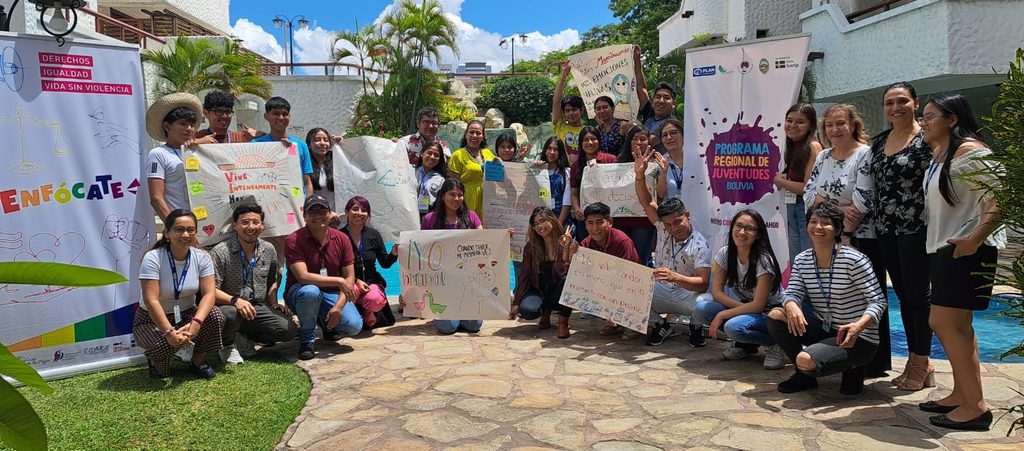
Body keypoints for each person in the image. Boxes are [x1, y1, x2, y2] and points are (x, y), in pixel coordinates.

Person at [918, 93, 1004, 431]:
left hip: (965, 249)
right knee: (959, 326)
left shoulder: (972, 152)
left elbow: (1001, 197)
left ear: (952, 119)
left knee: (944, 322)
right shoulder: (942, 154)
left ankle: (975, 406)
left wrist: (975, 239)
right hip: (947, 247)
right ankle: (962, 395)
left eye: (929, 116)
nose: (923, 123)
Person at [803, 103, 890, 377]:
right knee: (838, 298)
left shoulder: (864, 154)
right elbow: (808, 196)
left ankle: (870, 363)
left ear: (853, 125)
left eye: (841, 123)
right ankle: (841, 355)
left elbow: (863, 199)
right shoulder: (823, 156)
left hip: (859, 238)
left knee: (865, 299)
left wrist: (834, 217)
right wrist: (838, 209)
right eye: (830, 125)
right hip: (829, 238)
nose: (835, 129)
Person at [766, 202, 887, 396]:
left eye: (825, 223)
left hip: (857, 336)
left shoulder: (854, 260)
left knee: (806, 360)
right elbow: (792, 292)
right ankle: (804, 378)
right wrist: (791, 304)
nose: (818, 227)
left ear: (837, 229)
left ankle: (853, 366)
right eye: (813, 221)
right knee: (776, 316)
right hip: (826, 328)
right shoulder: (802, 259)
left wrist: (858, 326)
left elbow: (878, 302)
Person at [869, 82, 934, 391]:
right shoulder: (879, 142)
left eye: (902, 101)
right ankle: (916, 360)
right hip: (886, 229)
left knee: (919, 298)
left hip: (916, 228)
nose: (895, 107)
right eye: (889, 102)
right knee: (904, 297)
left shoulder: (926, 140)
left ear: (915, 103)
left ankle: (920, 362)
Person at [633, 146, 711, 346]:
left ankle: (696, 325)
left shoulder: (701, 244)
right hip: (661, 289)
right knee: (629, 289)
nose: (673, 228)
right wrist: (639, 175)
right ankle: (660, 325)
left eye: (678, 222)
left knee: (706, 303)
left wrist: (675, 277)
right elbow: (646, 201)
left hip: (687, 295)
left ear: (687, 216)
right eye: (668, 224)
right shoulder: (662, 228)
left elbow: (702, 283)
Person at [134, 209, 224, 379]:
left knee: (216, 316)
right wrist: (168, 332)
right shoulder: (153, 258)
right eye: (179, 229)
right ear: (167, 233)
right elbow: (151, 299)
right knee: (162, 350)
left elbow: (209, 294)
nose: (185, 234)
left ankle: (197, 361)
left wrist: (196, 323)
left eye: (191, 230)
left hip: (187, 315)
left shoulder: (202, 257)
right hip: (151, 318)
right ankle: (156, 360)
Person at [691, 209, 786, 370]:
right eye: (738, 226)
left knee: (733, 326)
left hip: (770, 313)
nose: (742, 232)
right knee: (701, 309)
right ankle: (745, 345)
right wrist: (739, 309)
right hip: (746, 305)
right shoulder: (725, 253)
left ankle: (775, 343)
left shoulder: (763, 260)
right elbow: (717, 292)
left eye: (749, 228)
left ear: (758, 235)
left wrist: (723, 314)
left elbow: (758, 306)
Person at [210, 204, 297, 364]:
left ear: (262, 226)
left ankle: (244, 336)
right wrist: (235, 301)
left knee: (288, 330)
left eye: (255, 222)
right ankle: (227, 345)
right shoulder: (220, 252)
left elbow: (272, 281)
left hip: (256, 307)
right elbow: (210, 291)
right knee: (230, 314)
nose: (251, 227)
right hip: (228, 305)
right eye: (245, 222)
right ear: (235, 226)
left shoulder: (268, 249)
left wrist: (274, 303)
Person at [284, 194, 363, 360]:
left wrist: (339, 308)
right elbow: (303, 276)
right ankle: (307, 339)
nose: (318, 215)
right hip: (301, 292)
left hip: (330, 293)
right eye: (312, 212)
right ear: (304, 216)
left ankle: (326, 324)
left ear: (330, 213)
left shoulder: (342, 239)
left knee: (355, 326)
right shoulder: (294, 239)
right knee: (311, 292)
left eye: (322, 211)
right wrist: (338, 280)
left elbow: (349, 277)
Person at [568, 202, 641, 338]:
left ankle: (632, 322)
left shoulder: (622, 241)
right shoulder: (586, 243)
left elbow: (630, 276)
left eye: (599, 222)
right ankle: (614, 322)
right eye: (590, 223)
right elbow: (580, 273)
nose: (595, 228)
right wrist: (573, 254)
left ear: (610, 222)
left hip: (628, 285)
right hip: (606, 284)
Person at [421, 178, 485, 334]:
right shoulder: (430, 219)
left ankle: (460, 310)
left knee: (474, 325)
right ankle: (449, 312)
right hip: (442, 281)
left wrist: (503, 237)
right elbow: (421, 249)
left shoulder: (471, 216)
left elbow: (484, 243)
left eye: (460, 195)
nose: (456, 199)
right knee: (448, 327)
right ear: (442, 196)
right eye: (452, 194)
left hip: (465, 279)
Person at [510, 207, 572, 338]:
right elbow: (525, 275)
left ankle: (562, 322)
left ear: (552, 220)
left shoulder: (565, 242)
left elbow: (569, 270)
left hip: (559, 292)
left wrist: (566, 248)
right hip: (540, 290)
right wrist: (516, 303)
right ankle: (545, 311)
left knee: (568, 281)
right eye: (535, 224)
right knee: (527, 310)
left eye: (543, 221)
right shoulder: (531, 247)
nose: (540, 226)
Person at [339, 196, 398, 330]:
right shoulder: (339, 236)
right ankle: (356, 312)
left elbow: (385, 263)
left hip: (371, 281)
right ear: (347, 212)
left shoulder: (374, 235)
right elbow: (335, 267)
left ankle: (367, 311)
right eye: (355, 209)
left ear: (368, 215)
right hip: (349, 282)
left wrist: (394, 254)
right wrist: (356, 281)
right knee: (351, 291)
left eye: (364, 210)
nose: (359, 213)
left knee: (375, 299)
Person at [773, 103, 822, 263]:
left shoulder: (813, 146)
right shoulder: (791, 146)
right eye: (789, 120)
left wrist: (781, 181)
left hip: (806, 210)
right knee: (797, 260)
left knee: (808, 258)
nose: (793, 125)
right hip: (791, 208)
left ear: (811, 126)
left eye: (800, 122)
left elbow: (808, 189)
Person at [145, 92, 203, 221]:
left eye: (192, 125)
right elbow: (156, 198)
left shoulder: (198, 153)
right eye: (182, 124)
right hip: (179, 226)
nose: (189, 129)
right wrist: (173, 226)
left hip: (203, 223)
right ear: (167, 126)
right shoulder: (158, 154)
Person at [251, 96, 314, 196]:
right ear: (266, 116)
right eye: (276, 114)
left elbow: (307, 181)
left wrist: (308, 205)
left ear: (289, 117)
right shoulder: (255, 145)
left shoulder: (301, 145)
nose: (281, 117)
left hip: (297, 201)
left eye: (284, 114)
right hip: (267, 200)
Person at [569, 127, 618, 241]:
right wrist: (577, 208)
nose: (590, 143)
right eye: (586, 140)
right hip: (586, 217)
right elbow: (574, 194)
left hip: (607, 216)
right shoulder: (576, 166)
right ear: (581, 143)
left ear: (599, 141)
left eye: (593, 139)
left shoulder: (611, 160)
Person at [447, 120, 496, 218]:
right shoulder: (458, 155)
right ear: (466, 135)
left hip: (488, 201)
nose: (474, 136)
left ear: (483, 137)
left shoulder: (489, 154)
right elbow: (454, 185)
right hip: (467, 201)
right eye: (471, 132)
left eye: (478, 133)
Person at [193, 91, 261, 144]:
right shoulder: (196, 137)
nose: (224, 116)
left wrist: (259, 134)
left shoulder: (243, 138)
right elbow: (183, 148)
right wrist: (197, 142)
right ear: (206, 113)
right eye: (219, 111)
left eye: (228, 112)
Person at [552, 63, 586, 161]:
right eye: (567, 110)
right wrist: (563, 78)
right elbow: (556, 102)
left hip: (582, 173)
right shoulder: (560, 127)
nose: (571, 113)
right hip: (563, 173)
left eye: (574, 109)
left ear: (582, 110)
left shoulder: (588, 132)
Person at [539, 137, 572, 225]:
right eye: (549, 148)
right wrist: (534, 169)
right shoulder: (538, 171)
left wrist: (559, 223)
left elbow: (567, 201)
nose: (552, 152)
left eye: (556, 149)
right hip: (541, 221)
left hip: (561, 220)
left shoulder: (566, 172)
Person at [305, 127, 337, 212]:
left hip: (338, 217)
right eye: (317, 140)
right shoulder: (304, 164)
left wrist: (343, 144)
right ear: (309, 144)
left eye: (326, 140)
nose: (322, 143)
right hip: (316, 216)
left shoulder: (338, 161)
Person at [415, 141, 448, 218]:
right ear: (422, 154)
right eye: (429, 153)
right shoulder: (411, 172)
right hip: (409, 212)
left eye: (436, 155)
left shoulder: (441, 180)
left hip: (429, 215)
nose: (432, 157)